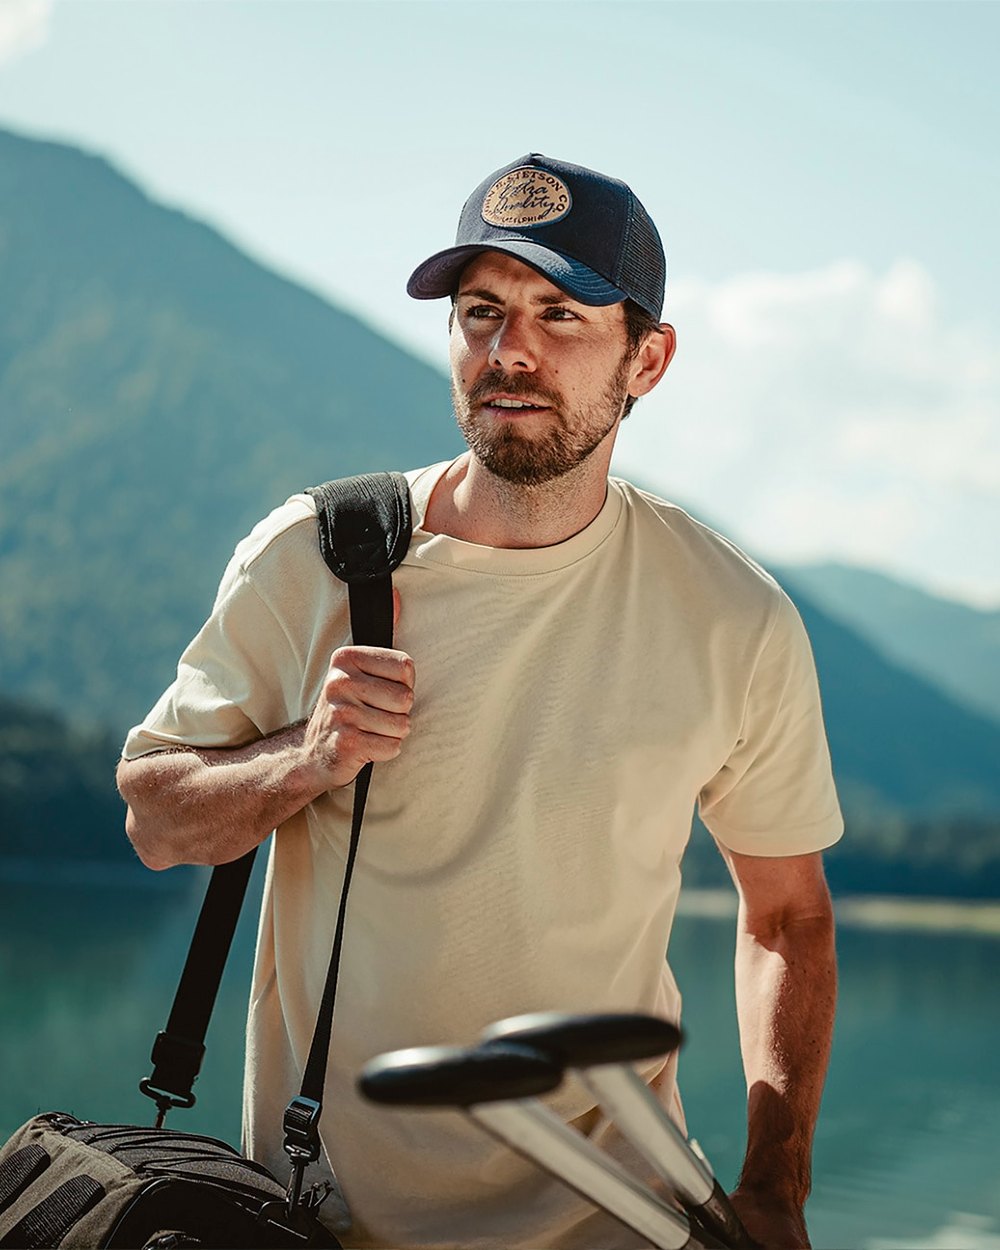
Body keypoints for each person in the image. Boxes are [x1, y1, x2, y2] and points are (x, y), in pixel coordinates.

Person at [117, 153, 842, 1250]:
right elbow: (156, 820)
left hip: (626, 1217)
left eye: (560, 313)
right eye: (481, 310)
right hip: (327, 1216)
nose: (511, 348)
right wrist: (303, 759)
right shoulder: (316, 558)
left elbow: (786, 917)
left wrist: (774, 1189)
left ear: (647, 358)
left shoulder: (732, 614)